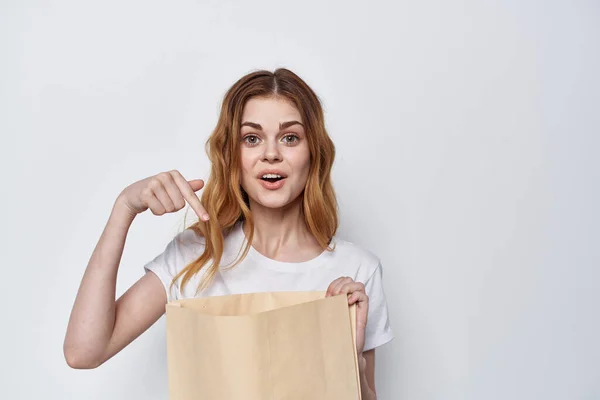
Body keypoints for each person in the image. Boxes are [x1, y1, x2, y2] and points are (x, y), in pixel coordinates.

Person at [63, 68, 393, 399]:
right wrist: (123, 209)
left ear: (313, 152)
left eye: (290, 137)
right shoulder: (196, 256)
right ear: (231, 155)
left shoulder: (357, 270)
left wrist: (352, 359)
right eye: (252, 138)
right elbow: (83, 352)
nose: (271, 153)